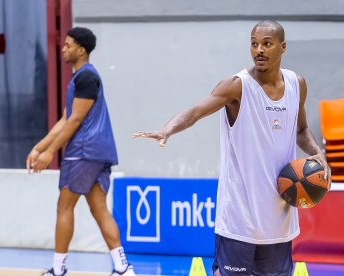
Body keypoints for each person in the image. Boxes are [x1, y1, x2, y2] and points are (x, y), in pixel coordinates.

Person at [133, 20, 331, 276]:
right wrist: (167, 129)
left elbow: (301, 130)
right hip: (240, 218)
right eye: (254, 44)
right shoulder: (237, 86)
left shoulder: (297, 84)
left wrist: (316, 152)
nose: (259, 49)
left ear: (282, 48)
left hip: (279, 220)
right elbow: (194, 112)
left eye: (267, 44)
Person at [26, 27, 135, 276]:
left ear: (81, 50)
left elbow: (75, 121)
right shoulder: (80, 78)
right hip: (98, 152)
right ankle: (122, 268)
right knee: (99, 209)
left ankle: (58, 269)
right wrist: (39, 147)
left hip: (84, 151)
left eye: (68, 45)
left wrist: (50, 153)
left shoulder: (86, 77)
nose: (63, 49)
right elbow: (65, 119)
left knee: (64, 208)